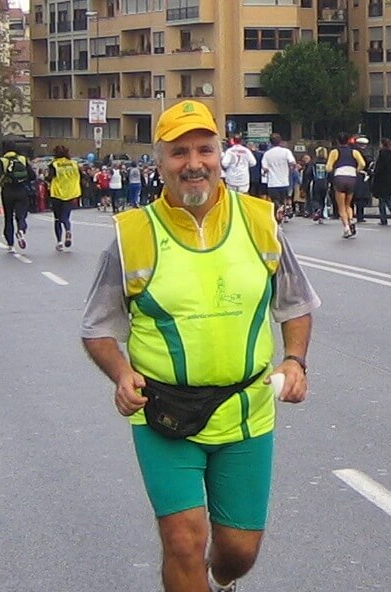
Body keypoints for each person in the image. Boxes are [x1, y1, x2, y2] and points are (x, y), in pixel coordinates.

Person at [80, 100, 320, 592]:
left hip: (246, 411)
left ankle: (221, 579)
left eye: (204, 150)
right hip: (165, 414)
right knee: (184, 540)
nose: (194, 163)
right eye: (179, 153)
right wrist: (122, 375)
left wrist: (295, 360)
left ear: (221, 155)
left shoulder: (259, 222)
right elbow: (98, 327)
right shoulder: (133, 235)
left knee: (238, 551)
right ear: (161, 163)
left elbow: (295, 303)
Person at [327, 132, 366, 238]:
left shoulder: (335, 152)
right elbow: (362, 164)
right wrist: (356, 170)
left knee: (341, 206)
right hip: (352, 177)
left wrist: (334, 170)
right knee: (348, 204)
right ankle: (351, 220)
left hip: (340, 178)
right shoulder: (354, 152)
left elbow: (328, 167)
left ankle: (346, 228)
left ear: (338, 141)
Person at [0, 141, 31, 252]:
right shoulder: (22, 159)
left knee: (8, 217)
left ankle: (10, 244)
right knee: (21, 215)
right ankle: (21, 228)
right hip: (21, 190)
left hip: (8, 191)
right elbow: (32, 175)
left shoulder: (2, 161)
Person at [46, 145, 82, 252]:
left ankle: (59, 242)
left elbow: (50, 177)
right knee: (65, 217)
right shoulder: (74, 164)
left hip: (57, 193)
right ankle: (68, 230)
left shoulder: (54, 164)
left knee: (57, 219)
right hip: (71, 193)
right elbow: (81, 175)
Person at [261, 133, 296, 220]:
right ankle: (282, 210)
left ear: (270, 142)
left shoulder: (267, 154)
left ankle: (278, 214)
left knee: (274, 201)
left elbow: (264, 168)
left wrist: (266, 172)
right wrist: (291, 169)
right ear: (280, 141)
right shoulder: (286, 152)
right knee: (283, 199)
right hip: (284, 181)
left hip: (272, 183)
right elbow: (293, 163)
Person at [372, 138, 391, 225]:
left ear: (383, 145)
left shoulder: (382, 155)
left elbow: (379, 168)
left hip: (382, 180)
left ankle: (385, 218)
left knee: (382, 201)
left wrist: (374, 173)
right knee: (387, 198)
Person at [304, 146, 329, 223]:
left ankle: (317, 210)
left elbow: (308, 172)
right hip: (325, 182)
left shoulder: (314, 162)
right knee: (323, 199)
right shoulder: (327, 162)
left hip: (316, 182)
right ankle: (321, 215)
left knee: (315, 198)